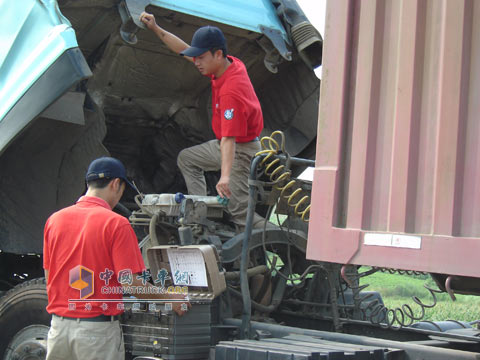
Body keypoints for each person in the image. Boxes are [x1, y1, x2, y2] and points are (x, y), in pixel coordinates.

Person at [43, 157, 188, 360]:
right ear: (115, 184)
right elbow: (131, 284)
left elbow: (50, 275)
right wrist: (170, 297)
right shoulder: (116, 224)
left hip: (58, 330)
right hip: (96, 334)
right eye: (122, 189)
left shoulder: (54, 220)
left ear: (88, 184)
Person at [140, 12, 264, 227]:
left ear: (217, 54)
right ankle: (199, 215)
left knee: (240, 214)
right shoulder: (225, 64)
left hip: (242, 151)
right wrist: (156, 29)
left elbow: (229, 140)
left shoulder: (231, 91)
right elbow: (183, 50)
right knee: (187, 159)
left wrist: (225, 178)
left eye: (201, 58)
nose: (196, 62)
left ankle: (290, 243)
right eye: (195, 57)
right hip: (226, 145)